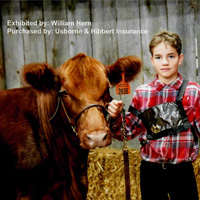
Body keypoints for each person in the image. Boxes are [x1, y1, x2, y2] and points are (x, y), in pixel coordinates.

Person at [108, 30, 200, 200]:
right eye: (158, 57)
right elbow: (127, 133)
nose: (165, 62)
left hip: (182, 171)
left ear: (180, 58)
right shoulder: (142, 93)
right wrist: (115, 118)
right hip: (151, 171)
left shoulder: (193, 91)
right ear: (152, 61)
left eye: (171, 56)